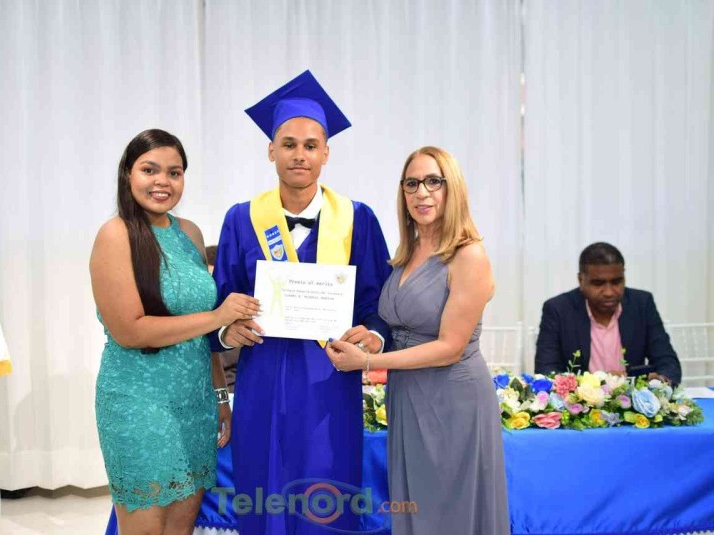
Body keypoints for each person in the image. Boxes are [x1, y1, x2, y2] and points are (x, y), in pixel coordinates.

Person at [209, 70, 392, 534]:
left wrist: (372, 335)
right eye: (288, 144)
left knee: (325, 490)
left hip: (330, 378)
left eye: (311, 145)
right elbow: (222, 302)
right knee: (263, 484)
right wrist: (228, 329)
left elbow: (378, 302)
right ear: (270, 150)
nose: (299, 154)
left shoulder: (358, 219)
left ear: (326, 153)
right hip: (262, 376)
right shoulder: (242, 219)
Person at [326, 146, 510, 534]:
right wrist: (372, 340)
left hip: (453, 400)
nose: (421, 192)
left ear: (452, 188)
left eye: (433, 182)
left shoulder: (468, 255)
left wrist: (368, 363)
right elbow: (401, 328)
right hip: (408, 397)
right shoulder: (406, 253)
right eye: (411, 183)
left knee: (451, 513)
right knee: (416, 510)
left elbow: (450, 348)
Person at [90, 129, 260, 535]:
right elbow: (131, 331)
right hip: (139, 403)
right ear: (128, 174)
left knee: (181, 530)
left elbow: (203, 339)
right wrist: (218, 316)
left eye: (174, 172)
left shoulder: (190, 233)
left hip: (195, 404)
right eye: (149, 170)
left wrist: (220, 396)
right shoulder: (115, 234)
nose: (162, 182)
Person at [534, 242, 682, 385]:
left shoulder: (642, 304)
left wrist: (659, 382)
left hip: (633, 399)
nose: (609, 292)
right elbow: (546, 370)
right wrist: (596, 386)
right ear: (581, 280)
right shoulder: (558, 309)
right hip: (581, 400)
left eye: (616, 282)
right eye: (598, 283)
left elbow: (668, 363)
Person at [205, 244, 240, 393]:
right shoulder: (186, 319)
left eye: (217, 283)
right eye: (208, 282)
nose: (214, 290)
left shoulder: (242, 320)